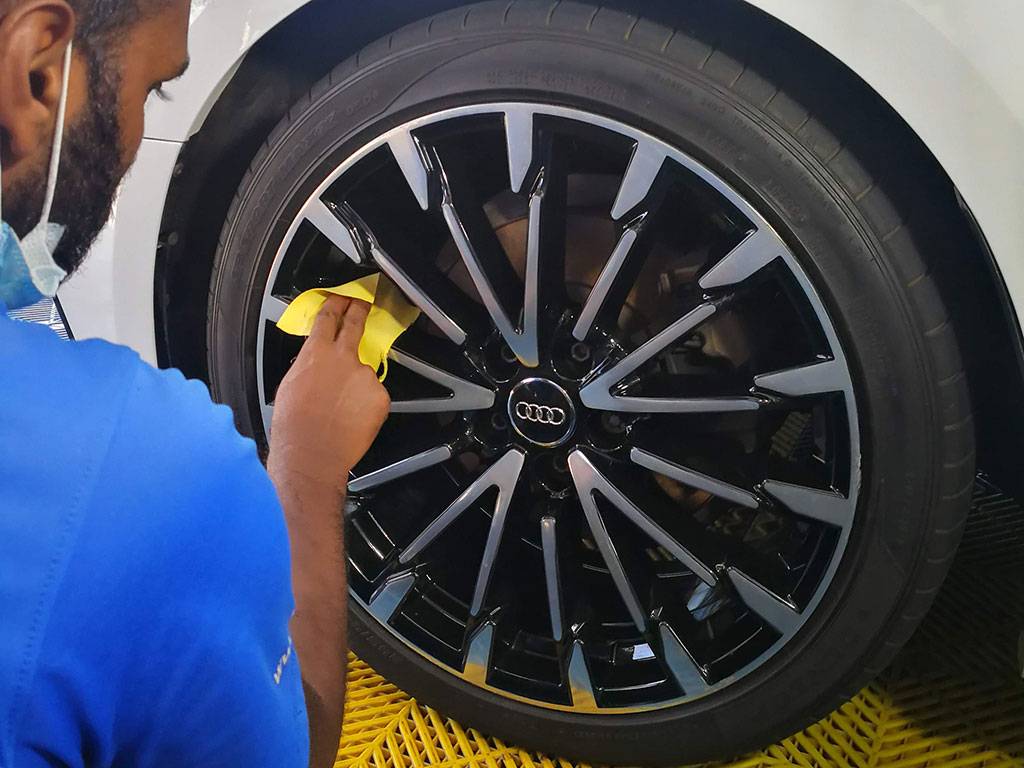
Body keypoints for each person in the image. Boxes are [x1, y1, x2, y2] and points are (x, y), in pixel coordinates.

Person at [0, 1, 390, 765]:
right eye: (151, 91)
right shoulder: (137, 478)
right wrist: (308, 473)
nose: (139, 138)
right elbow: (302, 750)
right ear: (39, 71)